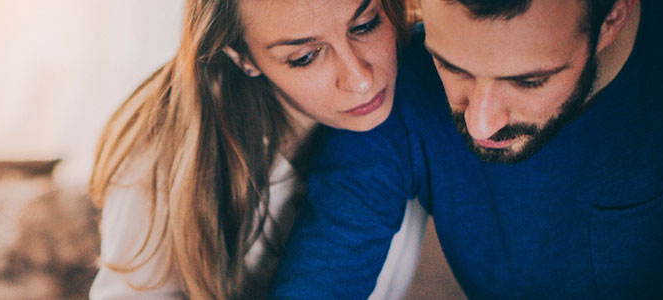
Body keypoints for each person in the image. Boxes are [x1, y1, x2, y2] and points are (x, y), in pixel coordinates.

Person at [272, 0, 663, 298]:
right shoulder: (403, 82)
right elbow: (322, 275)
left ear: (612, 16)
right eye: (451, 66)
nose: (479, 123)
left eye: (529, 81)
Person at [87, 0, 427, 299]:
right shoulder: (165, 148)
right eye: (304, 57)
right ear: (242, 57)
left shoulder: (432, 83)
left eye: (366, 24)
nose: (361, 79)